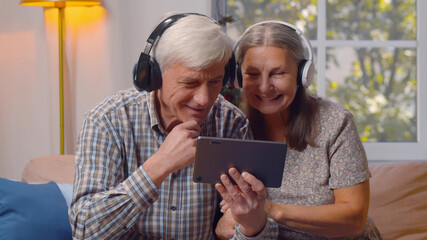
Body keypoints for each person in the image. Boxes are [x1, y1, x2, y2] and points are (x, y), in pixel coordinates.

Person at [69, 12, 276, 239]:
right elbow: (85, 231)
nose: (204, 99)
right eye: (190, 82)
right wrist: (159, 165)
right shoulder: (107, 122)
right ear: (153, 76)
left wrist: (251, 227)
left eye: (215, 81)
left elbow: (245, 227)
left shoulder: (231, 124)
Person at [216, 21, 383, 239]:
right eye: (253, 74)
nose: (265, 87)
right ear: (238, 77)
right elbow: (226, 222)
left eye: (278, 73)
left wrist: (270, 210)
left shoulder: (335, 123)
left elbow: (354, 219)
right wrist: (224, 225)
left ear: (303, 74)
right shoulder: (232, 127)